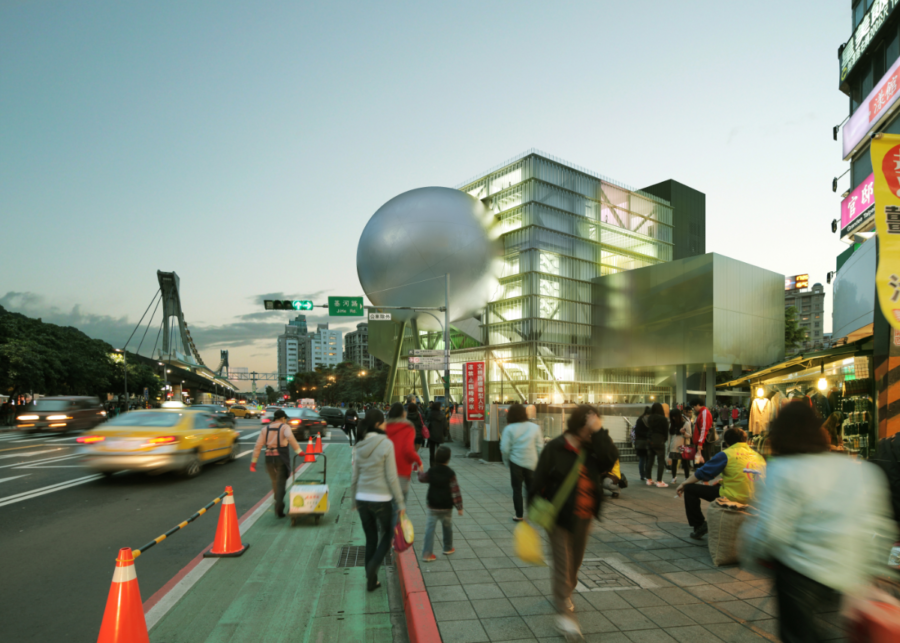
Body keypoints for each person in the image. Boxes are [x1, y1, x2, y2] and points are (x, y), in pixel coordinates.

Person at [740, 403, 897, 643]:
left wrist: (752, 553)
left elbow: (772, 531)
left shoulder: (783, 470)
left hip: (800, 575)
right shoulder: (856, 469)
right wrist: (871, 571)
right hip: (848, 570)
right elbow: (878, 524)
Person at [530, 405, 618, 639]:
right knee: (562, 565)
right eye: (591, 427)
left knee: (574, 564)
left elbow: (610, 460)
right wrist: (534, 508)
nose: (594, 432)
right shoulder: (556, 447)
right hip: (558, 516)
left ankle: (565, 592)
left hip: (584, 516)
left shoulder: (592, 449)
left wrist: (599, 432)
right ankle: (565, 618)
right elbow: (537, 478)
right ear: (580, 427)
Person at [350, 409, 407, 592]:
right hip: (381, 499)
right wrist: (400, 503)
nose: (385, 425)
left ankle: (371, 581)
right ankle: (373, 565)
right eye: (383, 422)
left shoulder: (359, 445)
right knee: (388, 535)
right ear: (377, 424)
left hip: (362, 499)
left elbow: (354, 477)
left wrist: (354, 500)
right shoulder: (386, 444)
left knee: (371, 539)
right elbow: (391, 477)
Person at [675, 427, 766, 540]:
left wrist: (683, 484)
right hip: (757, 499)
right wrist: (722, 481)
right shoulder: (758, 456)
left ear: (726, 442)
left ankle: (699, 526)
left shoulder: (726, 454)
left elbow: (702, 473)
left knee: (690, 488)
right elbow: (749, 476)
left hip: (734, 497)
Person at [250, 409, 304, 518]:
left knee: (275, 481)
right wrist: (299, 451)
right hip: (281, 457)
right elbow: (290, 438)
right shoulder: (284, 427)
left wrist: (253, 461)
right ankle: (279, 505)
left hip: (269, 458)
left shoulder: (265, 429)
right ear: (283, 418)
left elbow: (258, 445)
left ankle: (277, 500)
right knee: (281, 483)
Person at [417, 445, 463, 561]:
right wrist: (459, 507)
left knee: (429, 529)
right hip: (446, 507)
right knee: (447, 527)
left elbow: (422, 478)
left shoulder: (432, 471)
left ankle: (427, 554)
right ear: (448, 459)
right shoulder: (450, 473)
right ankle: (447, 548)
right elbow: (455, 491)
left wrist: (420, 471)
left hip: (433, 506)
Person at [500, 403, 543, 521]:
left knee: (517, 489)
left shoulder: (509, 429)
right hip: (532, 462)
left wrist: (506, 462)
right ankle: (534, 514)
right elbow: (540, 447)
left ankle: (519, 515)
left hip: (516, 462)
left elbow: (504, 449)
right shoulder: (535, 428)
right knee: (531, 488)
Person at [385, 402, 422, 507]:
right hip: (402, 473)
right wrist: (418, 462)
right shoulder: (407, 427)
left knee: (388, 506)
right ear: (403, 414)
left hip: (386, 472)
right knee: (399, 507)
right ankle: (397, 522)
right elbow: (408, 450)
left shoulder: (384, 427)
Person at [644, 403, 669, 487]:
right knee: (660, 461)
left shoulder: (650, 418)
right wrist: (664, 439)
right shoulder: (663, 419)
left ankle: (649, 480)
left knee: (650, 461)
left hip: (650, 440)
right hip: (660, 441)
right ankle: (659, 481)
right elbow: (666, 431)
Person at [668, 408, 692, 484]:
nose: (673, 418)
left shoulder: (686, 423)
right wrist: (668, 448)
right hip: (674, 446)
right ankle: (674, 477)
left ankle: (687, 478)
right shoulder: (671, 424)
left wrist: (684, 433)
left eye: (674, 416)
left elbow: (690, 435)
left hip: (683, 446)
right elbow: (669, 437)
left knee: (685, 463)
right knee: (674, 463)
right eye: (672, 417)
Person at [690, 398, 714, 464]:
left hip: (703, 442)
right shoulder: (702, 412)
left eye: (693, 406)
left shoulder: (704, 413)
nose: (693, 408)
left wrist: (700, 443)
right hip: (701, 442)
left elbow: (704, 429)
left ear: (698, 405)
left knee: (703, 462)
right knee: (701, 462)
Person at [426, 400, 448, 466]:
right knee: (439, 451)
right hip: (440, 435)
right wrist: (445, 434)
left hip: (431, 435)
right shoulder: (442, 415)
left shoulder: (430, 414)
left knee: (431, 452)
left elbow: (427, 422)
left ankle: (432, 465)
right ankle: (439, 464)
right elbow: (445, 426)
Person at [633, 407, 651, 482]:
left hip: (640, 442)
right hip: (647, 442)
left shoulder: (640, 419)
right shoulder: (650, 421)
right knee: (647, 460)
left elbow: (636, 431)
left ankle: (642, 475)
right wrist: (647, 434)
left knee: (642, 459)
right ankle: (647, 475)